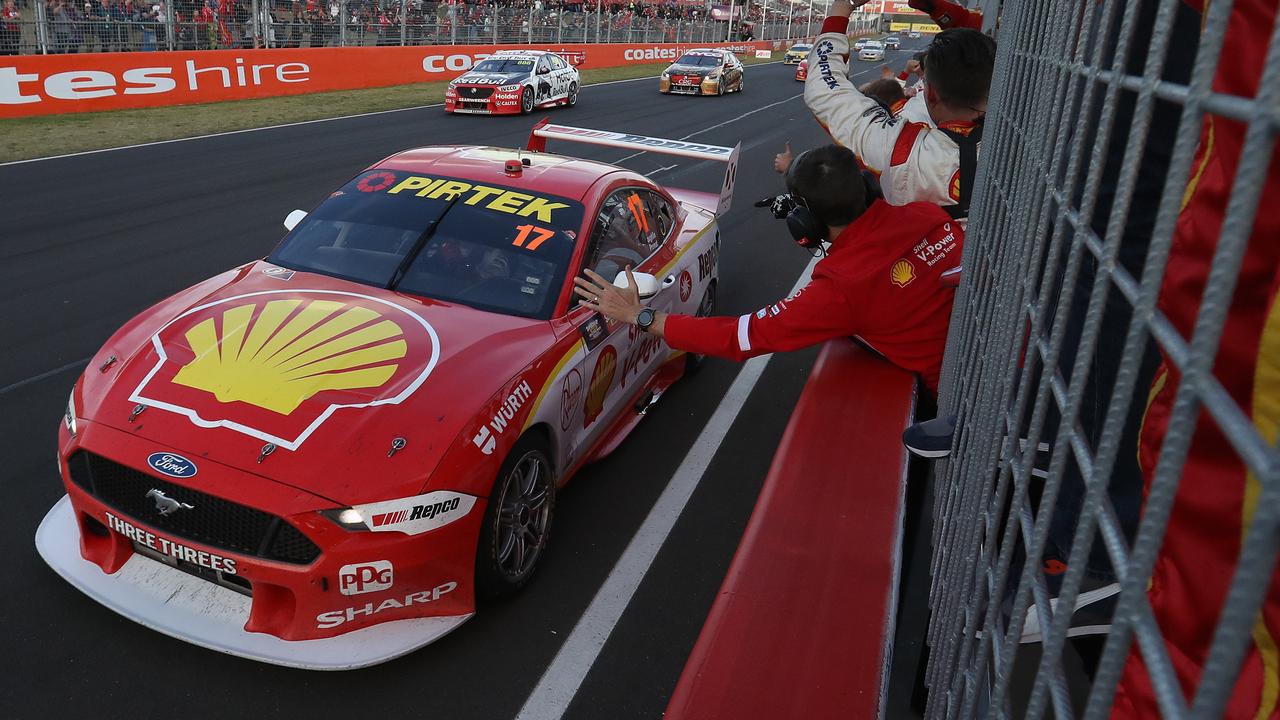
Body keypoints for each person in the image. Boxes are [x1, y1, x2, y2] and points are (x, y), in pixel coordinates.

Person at [574, 145, 964, 394]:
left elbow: (743, 337)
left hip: (951, 397)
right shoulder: (926, 214)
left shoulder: (842, 287)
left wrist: (639, 315)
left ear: (806, 225)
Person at [805, 0, 994, 219]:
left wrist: (842, 8)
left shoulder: (900, 149)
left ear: (931, 93)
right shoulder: (1025, 135)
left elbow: (825, 91)